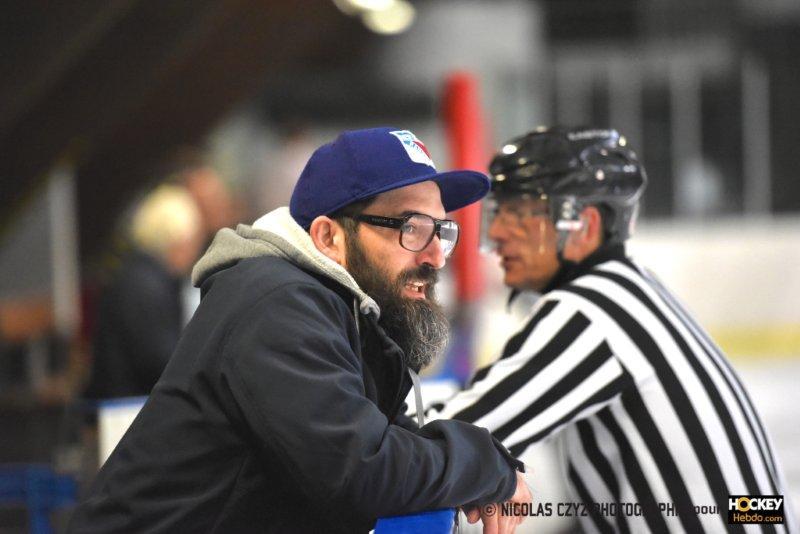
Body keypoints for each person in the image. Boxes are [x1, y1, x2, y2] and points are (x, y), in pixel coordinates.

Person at [69, 127, 531, 534]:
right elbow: (363, 471)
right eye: (411, 228)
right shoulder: (277, 304)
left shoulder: (340, 310)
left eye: (442, 230)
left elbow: (385, 441)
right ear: (329, 238)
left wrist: (482, 463)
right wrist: (485, 464)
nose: (435, 256)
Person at [429, 126, 795, 533]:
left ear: (583, 225)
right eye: (499, 214)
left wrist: (358, 432)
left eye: (519, 214)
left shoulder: (591, 312)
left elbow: (449, 441)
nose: (496, 233)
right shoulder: (630, 291)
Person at [83, 184, 203, 399]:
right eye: (191, 241)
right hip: (126, 409)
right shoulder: (146, 286)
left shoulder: (139, 276)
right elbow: (161, 361)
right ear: (176, 239)